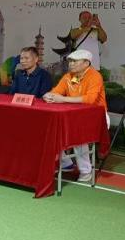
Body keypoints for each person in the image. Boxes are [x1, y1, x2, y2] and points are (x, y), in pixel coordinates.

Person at [43, 48, 106, 183]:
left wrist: (63, 99)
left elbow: (90, 100)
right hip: (73, 115)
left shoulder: (95, 76)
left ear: (86, 63)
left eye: (75, 61)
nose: (71, 64)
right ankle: (66, 163)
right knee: (53, 128)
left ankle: (86, 170)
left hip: (96, 116)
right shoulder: (69, 76)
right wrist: (48, 95)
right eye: (70, 61)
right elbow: (56, 91)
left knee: (78, 134)